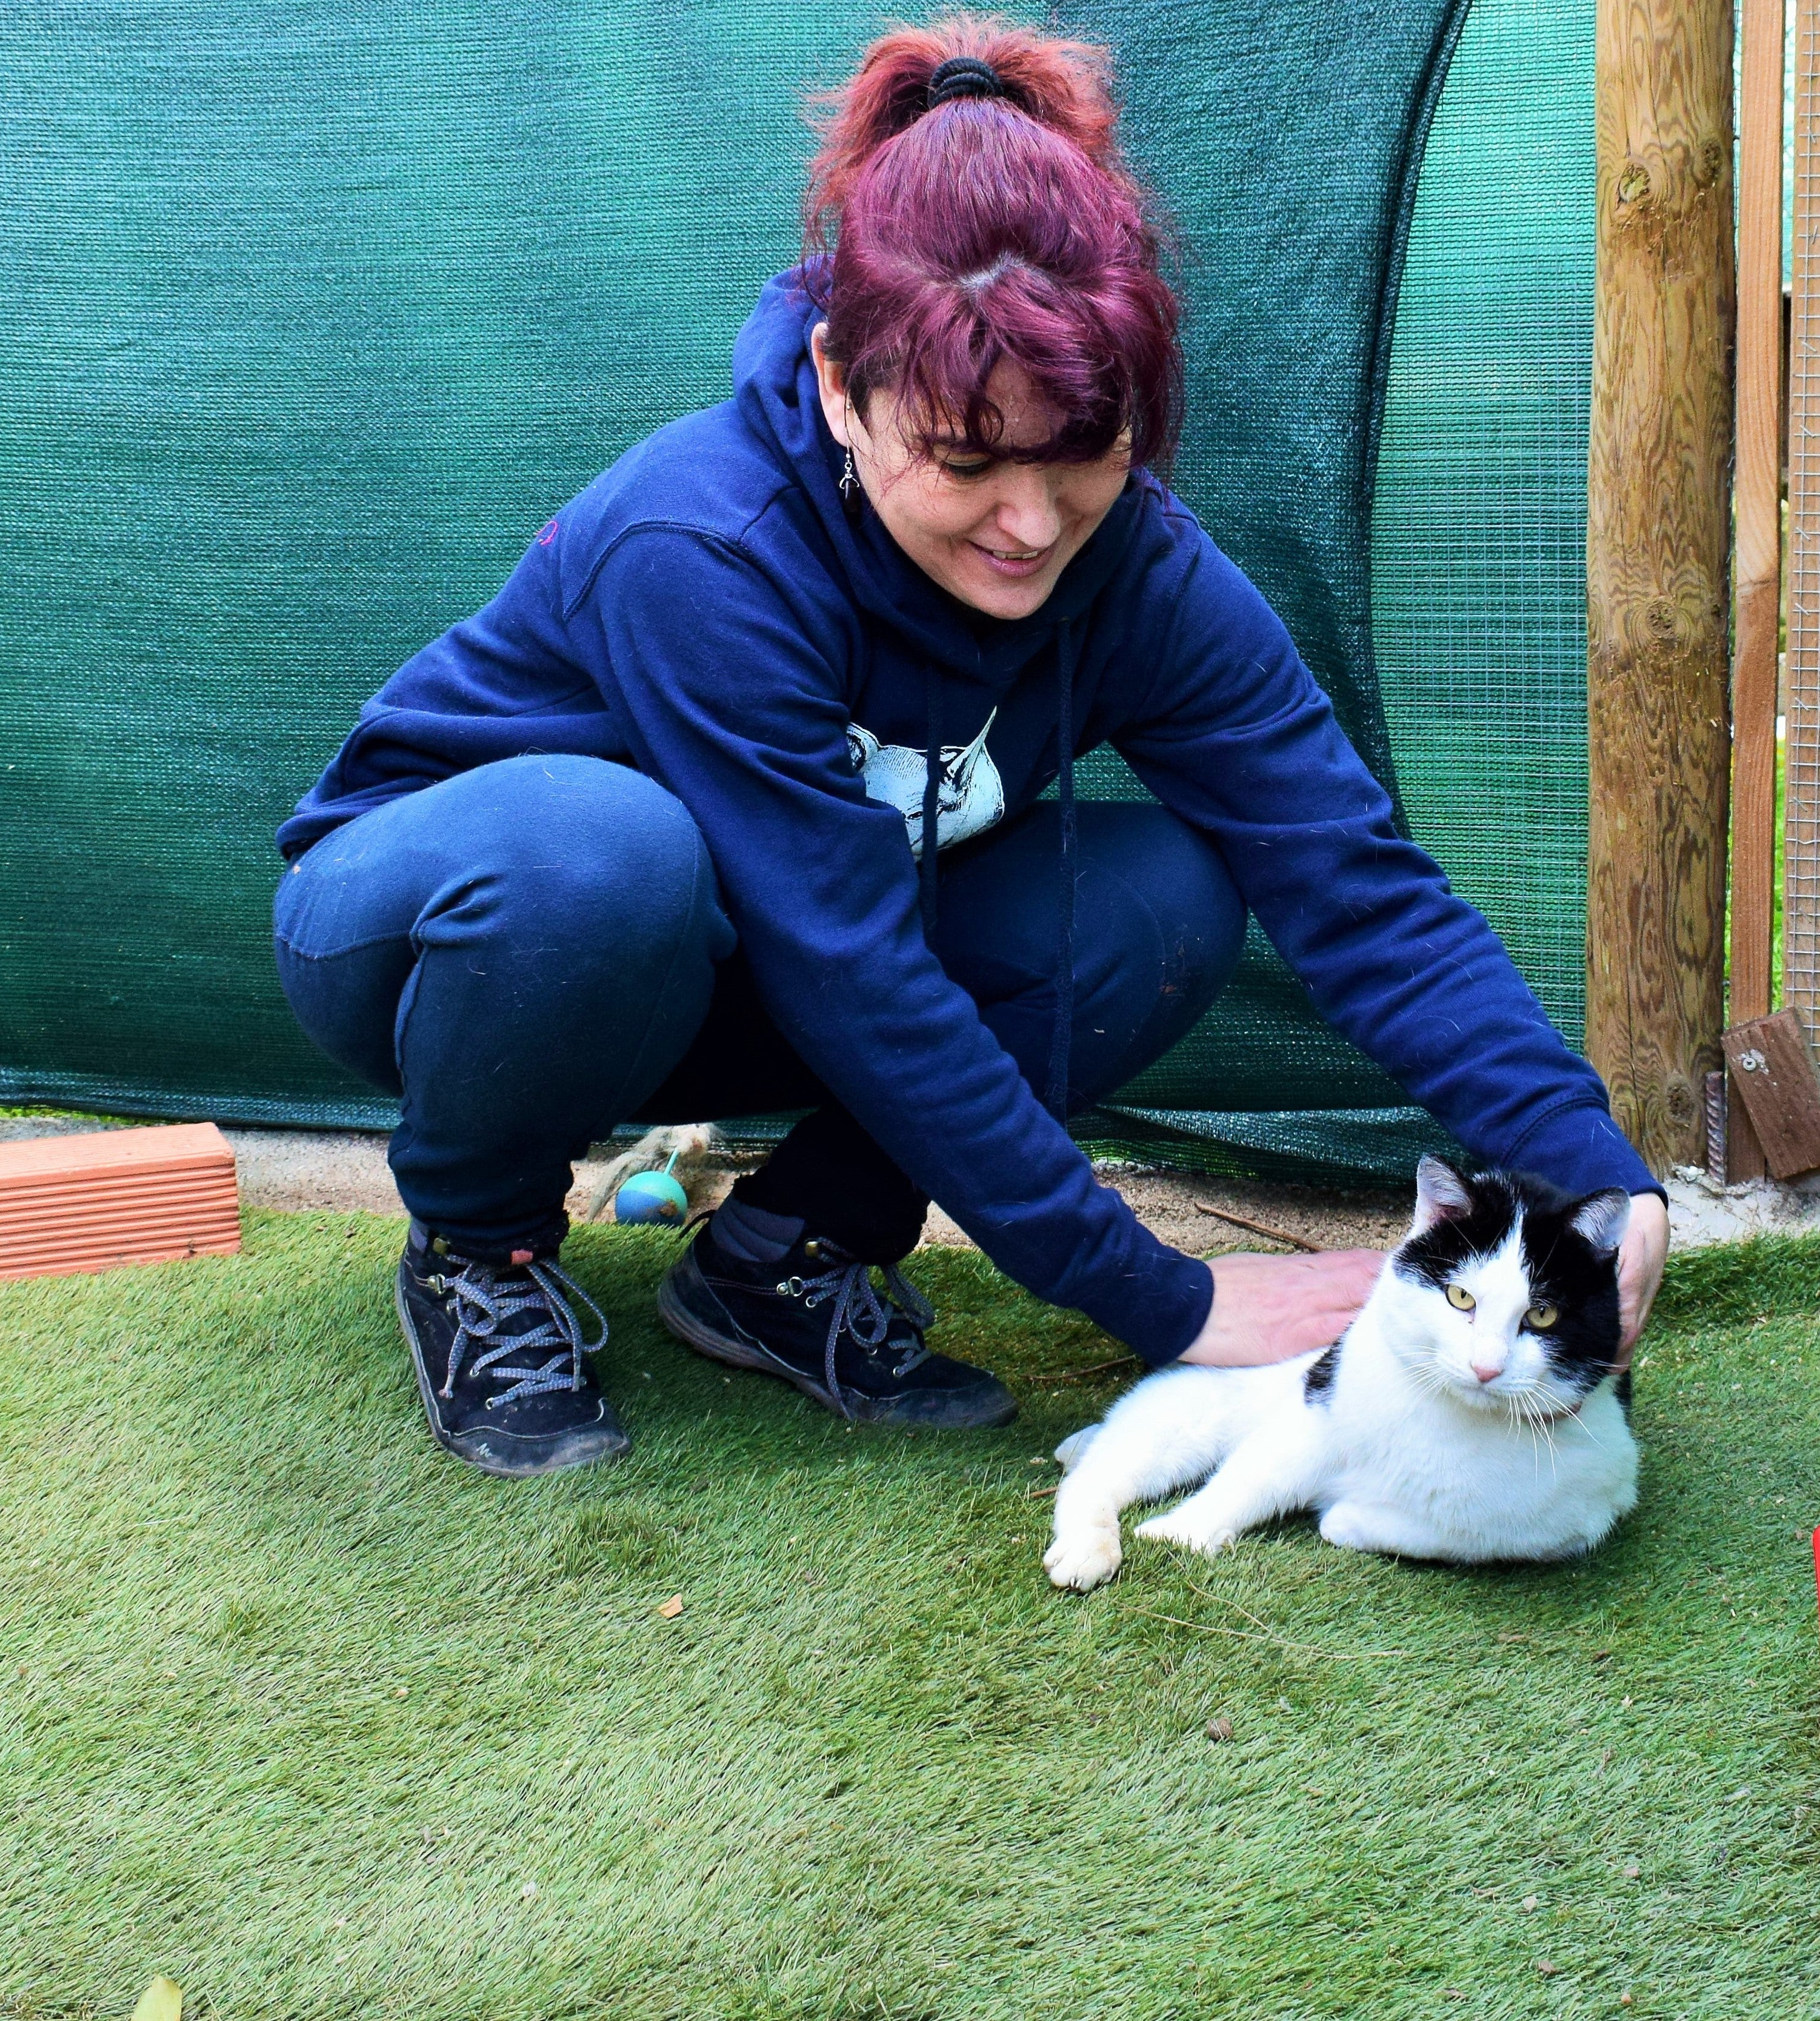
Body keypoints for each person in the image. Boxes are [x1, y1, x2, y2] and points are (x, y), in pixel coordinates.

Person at [272, 16, 1670, 1477]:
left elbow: (1353, 881)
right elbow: (853, 965)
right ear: (837, 385)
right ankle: (476, 1250)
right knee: (604, 857)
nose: (1030, 525)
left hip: (760, 959)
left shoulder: (1142, 573)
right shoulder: (700, 545)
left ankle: (786, 1258)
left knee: (1166, 899)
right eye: (965, 460)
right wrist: (1163, 1295)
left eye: (1081, 455)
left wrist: (1589, 1170)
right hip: (448, 938)